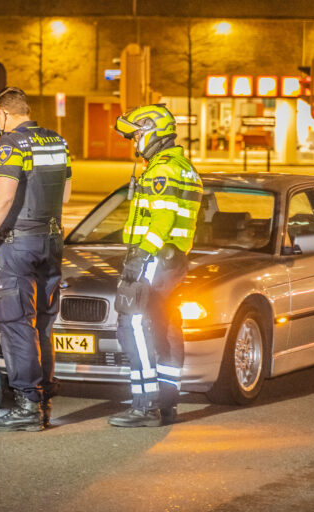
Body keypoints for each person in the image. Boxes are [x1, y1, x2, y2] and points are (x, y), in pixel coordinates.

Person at [0, 87, 71, 432]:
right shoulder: (56, 141)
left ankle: (27, 404)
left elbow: (4, 196)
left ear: (3, 114)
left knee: (16, 324)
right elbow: (65, 193)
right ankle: (44, 399)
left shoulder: (10, 144)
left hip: (18, 245)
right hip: (52, 241)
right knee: (42, 322)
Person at [110, 104, 203, 427]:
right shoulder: (183, 166)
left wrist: (139, 258)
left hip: (154, 257)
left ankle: (145, 405)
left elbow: (161, 222)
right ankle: (166, 402)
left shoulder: (162, 169)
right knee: (165, 329)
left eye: (136, 134)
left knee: (133, 327)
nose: (134, 141)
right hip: (172, 261)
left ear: (152, 131)